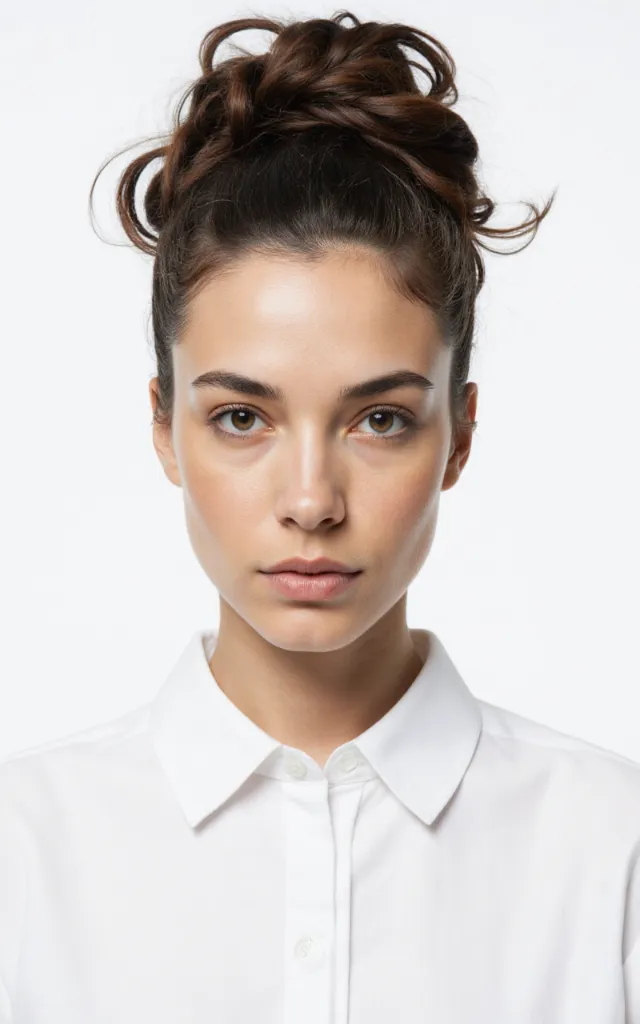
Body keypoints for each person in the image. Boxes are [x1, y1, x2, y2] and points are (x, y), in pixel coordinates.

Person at [0, 9, 638, 1022]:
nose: (310, 501)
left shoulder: (611, 854)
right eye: (241, 416)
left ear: (458, 435)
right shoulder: (23, 853)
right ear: (165, 428)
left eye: (378, 417)